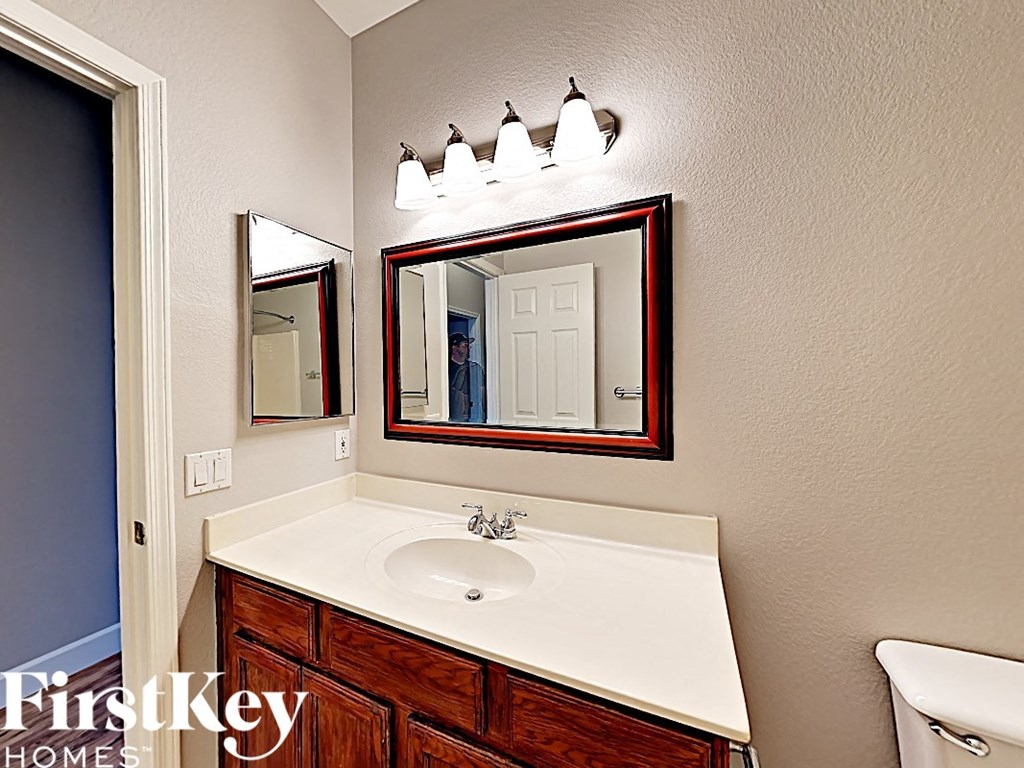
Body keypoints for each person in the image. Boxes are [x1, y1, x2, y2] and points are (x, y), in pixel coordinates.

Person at [448, 332, 485, 422]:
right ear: (455, 348)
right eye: (465, 345)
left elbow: (483, 392)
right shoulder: (446, 369)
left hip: (474, 416)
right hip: (454, 418)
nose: (469, 348)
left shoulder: (475, 368)